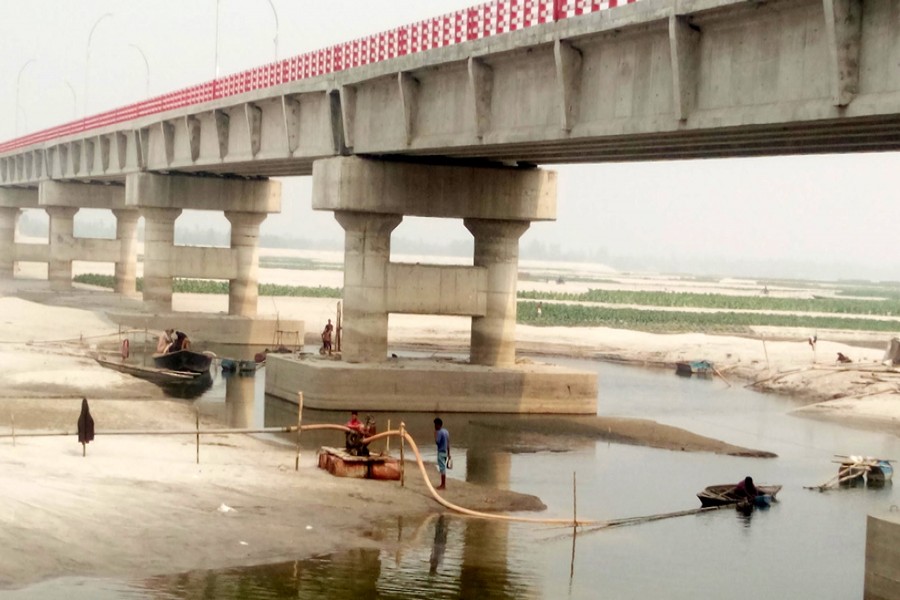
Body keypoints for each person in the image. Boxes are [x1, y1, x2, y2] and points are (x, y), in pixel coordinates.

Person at [434, 417, 450, 491]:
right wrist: (449, 453)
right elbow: (448, 443)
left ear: (438, 425)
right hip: (445, 452)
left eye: (435, 425)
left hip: (440, 452)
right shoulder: (446, 431)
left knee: (442, 469)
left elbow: (437, 442)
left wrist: (435, 435)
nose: (434, 426)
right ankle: (443, 484)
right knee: (443, 468)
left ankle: (443, 485)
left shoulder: (440, 432)